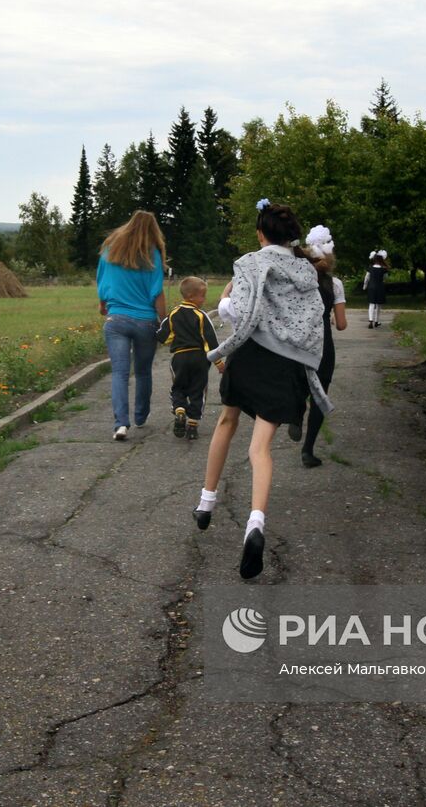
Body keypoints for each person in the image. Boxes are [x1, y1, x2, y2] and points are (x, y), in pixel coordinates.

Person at [192, 199, 332, 580]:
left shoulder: (251, 263)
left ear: (260, 233)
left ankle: (206, 502)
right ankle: (255, 524)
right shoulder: (306, 269)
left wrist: (223, 298)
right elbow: (312, 320)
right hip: (285, 364)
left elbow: (235, 313)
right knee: (260, 449)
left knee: (226, 421)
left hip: (251, 355)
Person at [96, 211, 167, 441]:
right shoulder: (152, 255)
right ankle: (140, 416)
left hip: (116, 320)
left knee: (119, 372)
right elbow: (157, 291)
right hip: (145, 321)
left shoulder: (110, 250)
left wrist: (103, 303)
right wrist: (163, 320)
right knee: (143, 371)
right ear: (152, 231)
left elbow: (101, 279)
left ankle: (120, 424)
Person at [298, 225, 347, 468]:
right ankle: (308, 449)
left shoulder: (299, 280)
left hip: (298, 340)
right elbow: (341, 325)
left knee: (297, 382)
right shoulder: (334, 284)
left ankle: (296, 415)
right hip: (323, 342)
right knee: (320, 392)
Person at [156, 276, 220, 441]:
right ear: (192, 297)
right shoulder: (201, 315)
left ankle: (179, 410)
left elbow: (163, 336)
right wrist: (218, 361)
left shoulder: (173, 314)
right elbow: (210, 339)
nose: (204, 300)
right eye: (202, 296)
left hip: (179, 357)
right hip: (199, 358)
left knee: (178, 386)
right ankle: (192, 425)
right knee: (198, 389)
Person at [363, 250, 389, 328]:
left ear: (374, 259)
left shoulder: (370, 268)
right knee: (378, 306)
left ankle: (370, 321)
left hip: (371, 287)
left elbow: (366, 278)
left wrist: (365, 286)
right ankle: (376, 321)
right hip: (380, 288)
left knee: (371, 304)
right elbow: (386, 278)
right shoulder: (384, 269)